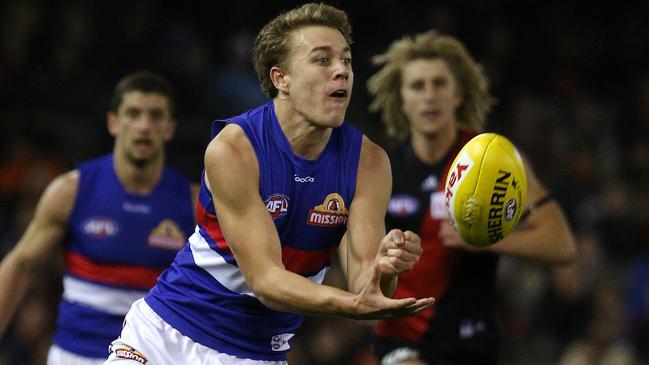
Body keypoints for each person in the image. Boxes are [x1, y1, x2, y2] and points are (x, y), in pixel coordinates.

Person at [103, 3, 434, 365]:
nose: (341, 71)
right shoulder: (234, 149)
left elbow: (364, 278)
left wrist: (385, 269)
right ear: (281, 79)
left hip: (254, 355)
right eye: (322, 60)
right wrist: (352, 305)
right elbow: (266, 281)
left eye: (346, 60)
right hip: (165, 335)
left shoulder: (369, 162)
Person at [367, 30, 577, 365]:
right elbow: (360, 266)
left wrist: (487, 240)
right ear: (401, 98)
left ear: (458, 94)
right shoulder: (382, 169)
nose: (429, 95)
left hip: (475, 339)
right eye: (417, 86)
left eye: (439, 84)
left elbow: (562, 245)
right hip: (402, 338)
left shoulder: (492, 161)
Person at [0, 71, 198, 365]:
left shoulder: (192, 202)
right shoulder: (71, 190)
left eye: (155, 116)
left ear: (169, 128)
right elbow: (21, 264)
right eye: (133, 114)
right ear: (113, 122)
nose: (144, 126)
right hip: (75, 356)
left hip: (152, 359)